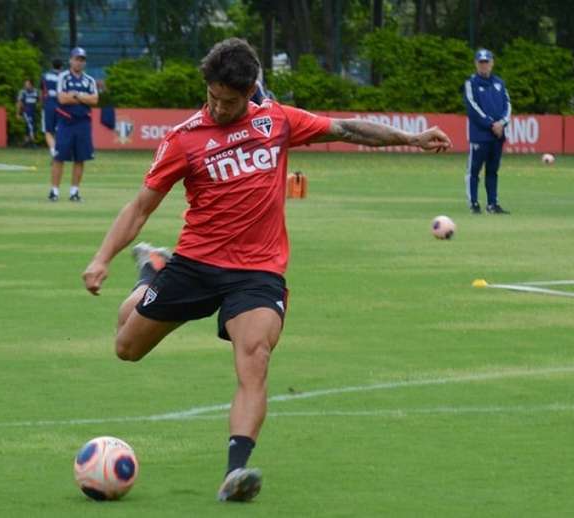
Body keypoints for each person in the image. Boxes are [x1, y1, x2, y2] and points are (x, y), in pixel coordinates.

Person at [81, 38, 451, 503]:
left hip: (257, 272)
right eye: (212, 96)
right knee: (126, 347)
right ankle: (151, 273)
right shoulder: (184, 138)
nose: (217, 107)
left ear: (251, 89)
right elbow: (140, 208)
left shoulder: (276, 121)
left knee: (254, 357)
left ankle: (236, 472)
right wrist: (101, 258)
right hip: (194, 263)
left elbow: (347, 129)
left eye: (229, 101)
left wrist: (411, 139)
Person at [462, 48, 512, 214]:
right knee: (474, 171)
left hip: (497, 136)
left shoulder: (499, 83)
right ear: (476, 64)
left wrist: (502, 123)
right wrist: (492, 124)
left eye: (487, 62)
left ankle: (492, 204)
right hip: (480, 135)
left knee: (492, 170)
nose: (484, 66)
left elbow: (508, 105)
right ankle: (474, 203)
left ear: (492, 63)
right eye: (481, 62)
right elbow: (473, 108)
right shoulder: (471, 83)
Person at [49, 47, 98, 202]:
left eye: (82, 60)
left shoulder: (89, 80)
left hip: (83, 122)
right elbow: (62, 99)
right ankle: (54, 191)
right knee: (59, 157)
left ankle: (74, 192)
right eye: (76, 59)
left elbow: (94, 100)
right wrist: (83, 97)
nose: (79, 62)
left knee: (80, 157)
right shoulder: (63, 77)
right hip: (66, 122)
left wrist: (75, 95)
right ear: (70, 60)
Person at [41, 58, 65, 158]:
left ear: (52, 65)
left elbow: (42, 91)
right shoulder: (64, 76)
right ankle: (61, 150)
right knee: (62, 130)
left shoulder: (45, 76)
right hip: (61, 106)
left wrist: (42, 102)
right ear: (61, 66)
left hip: (48, 105)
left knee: (48, 131)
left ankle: (53, 151)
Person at [16, 79, 39, 148]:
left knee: (30, 128)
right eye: (25, 84)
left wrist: (39, 106)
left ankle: (24, 143)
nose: (26, 86)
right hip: (26, 112)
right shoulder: (22, 92)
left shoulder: (36, 91)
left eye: (28, 84)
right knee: (30, 127)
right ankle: (33, 143)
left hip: (33, 112)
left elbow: (39, 100)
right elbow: (19, 103)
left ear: (31, 85)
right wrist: (18, 113)